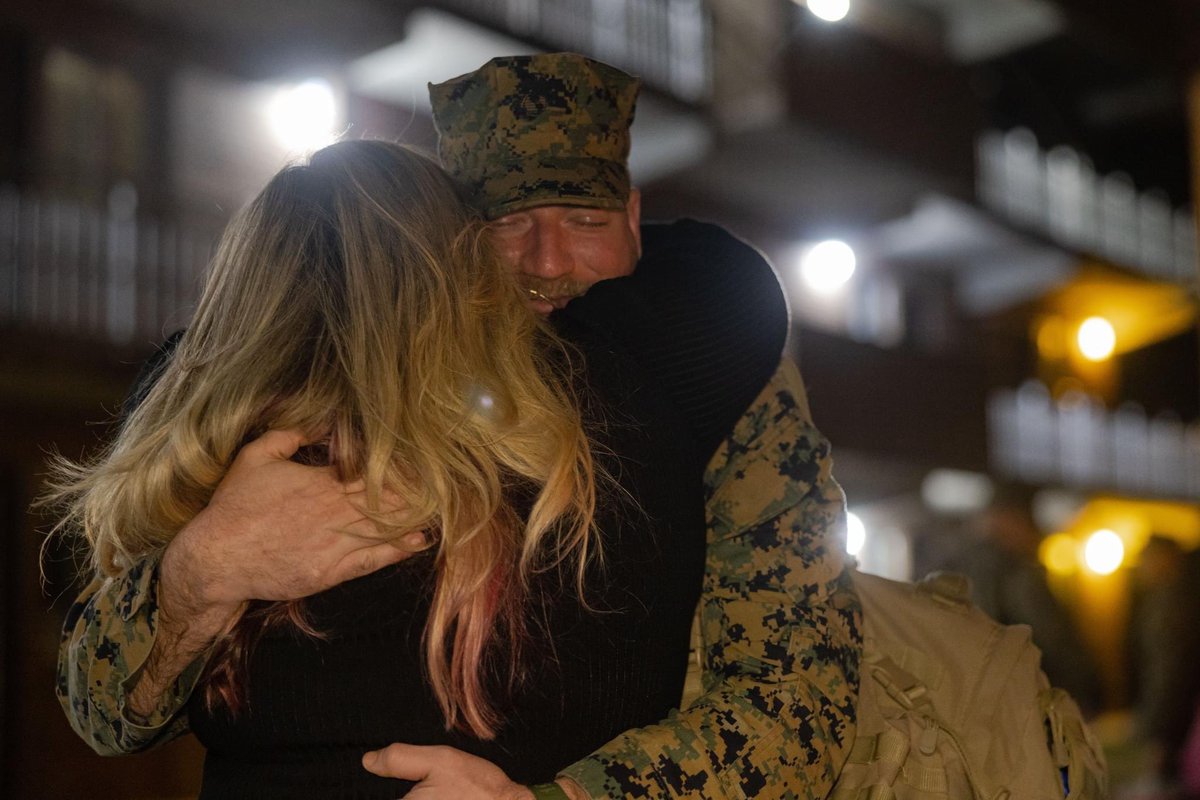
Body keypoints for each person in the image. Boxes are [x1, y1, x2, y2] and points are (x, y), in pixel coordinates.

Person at [55, 54, 861, 798]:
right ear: (439, 247)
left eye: (583, 220)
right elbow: (101, 715)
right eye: (506, 225)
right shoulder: (275, 398)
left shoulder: (701, 361)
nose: (547, 263)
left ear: (634, 217)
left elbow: (797, 699)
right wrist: (201, 573)